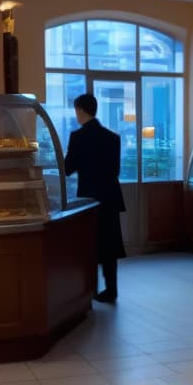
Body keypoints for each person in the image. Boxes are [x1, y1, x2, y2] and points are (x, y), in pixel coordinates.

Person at [64, 93, 126, 303]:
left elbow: (67, 169)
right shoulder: (112, 137)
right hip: (110, 196)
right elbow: (115, 170)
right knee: (109, 245)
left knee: (89, 245)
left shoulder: (77, 137)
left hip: (89, 199)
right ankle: (111, 290)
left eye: (76, 111)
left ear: (80, 110)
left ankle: (89, 289)